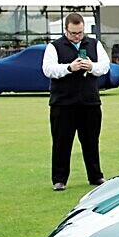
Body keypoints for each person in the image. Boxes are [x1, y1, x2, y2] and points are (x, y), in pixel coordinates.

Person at [42, 12, 109, 192]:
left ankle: (95, 175)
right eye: (73, 33)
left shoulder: (94, 44)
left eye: (80, 33)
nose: (77, 37)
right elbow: (48, 69)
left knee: (91, 141)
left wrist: (92, 66)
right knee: (62, 142)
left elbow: (105, 65)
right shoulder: (54, 47)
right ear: (66, 30)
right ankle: (59, 179)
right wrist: (69, 68)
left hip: (89, 102)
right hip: (63, 103)